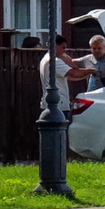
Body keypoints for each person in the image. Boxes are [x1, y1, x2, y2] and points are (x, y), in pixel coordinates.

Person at [34, 33, 79, 200]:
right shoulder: (54, 62)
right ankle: (56, 173)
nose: (64, 51)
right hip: (57, 106)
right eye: (63, 47)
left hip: (57, 103)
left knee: (57, 140)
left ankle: (55, 170)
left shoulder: (49, 60)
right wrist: (91, 70)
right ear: (55, 46)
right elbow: (74, 74)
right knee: (58, 140)